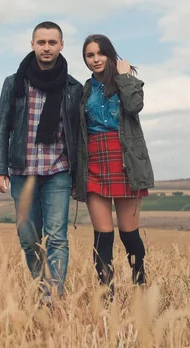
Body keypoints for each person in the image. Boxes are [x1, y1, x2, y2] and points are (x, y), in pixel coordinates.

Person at [0, 21, 83, 302]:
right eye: (41, 42)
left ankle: (51, 298)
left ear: (61, 46)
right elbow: (1, 127)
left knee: (57, 237)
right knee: (29, 239)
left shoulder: (73, 87)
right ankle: (42, 285)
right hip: (22, 170)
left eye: (52, 42)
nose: (46, 47)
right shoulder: (14, 82)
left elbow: (78, 136)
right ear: (32, 44)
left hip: (58, 171)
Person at [74, 34, 154, 297]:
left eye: (100, 54)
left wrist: (124, 77)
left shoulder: (126, 83)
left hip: (125, 161)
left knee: (129, 234)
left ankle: (140, 287)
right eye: (89, 55)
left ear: (110, 54)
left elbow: (135, 106)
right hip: (94, 161)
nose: (95, 59)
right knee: (102, 235)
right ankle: (106, 297)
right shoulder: (84, 89)